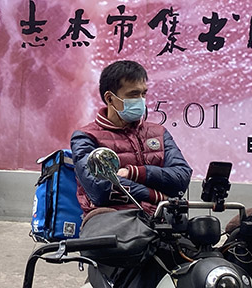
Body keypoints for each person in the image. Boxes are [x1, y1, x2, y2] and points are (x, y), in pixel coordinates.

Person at [71, 60, 192, 288]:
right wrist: (158, 195)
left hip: (165, 227)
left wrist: (134, 173)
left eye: (144, 93)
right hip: (118, 233)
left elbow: (181, 177)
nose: (141, 101)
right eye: (134, 94)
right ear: (110, 98)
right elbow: (101, 190)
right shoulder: (86, 137)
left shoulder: (158, 132)